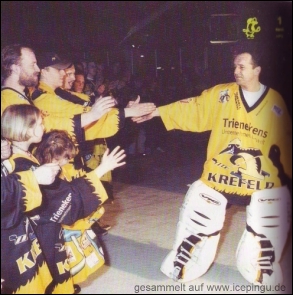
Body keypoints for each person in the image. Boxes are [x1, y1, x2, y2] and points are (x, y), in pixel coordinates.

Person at [133, 41, 292, 285]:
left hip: (260, 183)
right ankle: (185, 261)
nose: (236, 71)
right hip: (219, 177)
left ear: (257, 69)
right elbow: (193, 109)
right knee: (200, 204)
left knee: (273, 215)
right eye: (235, 66)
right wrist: (156, 112)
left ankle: (261, 264)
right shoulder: (222, 94)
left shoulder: (275, 104)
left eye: (242, 66)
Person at [1, 104, 126, 293]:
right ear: (27, 129)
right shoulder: (21, 164)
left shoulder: (20, 156)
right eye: (40, 123)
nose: (44, 126)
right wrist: (101, 169)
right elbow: (62, 198)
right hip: (37, 239)